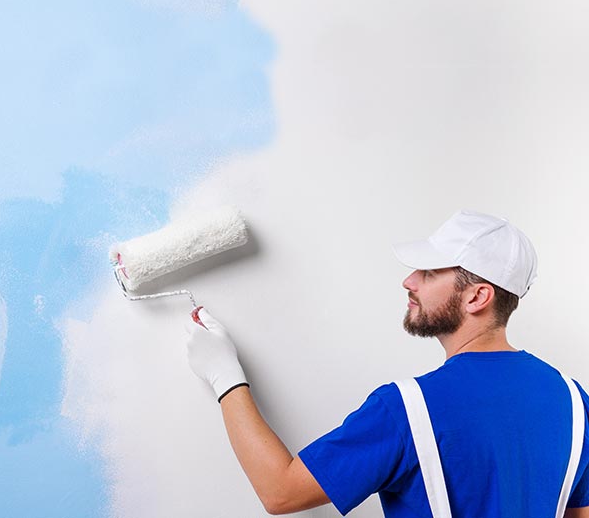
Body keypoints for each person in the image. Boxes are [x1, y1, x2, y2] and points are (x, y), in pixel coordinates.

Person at [186, 210, 589, 516]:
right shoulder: (574, 403)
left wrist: (225, 376)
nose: (409, 281)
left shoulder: (407, 409)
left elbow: (281, 491)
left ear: (476, 297)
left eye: (430, 272)